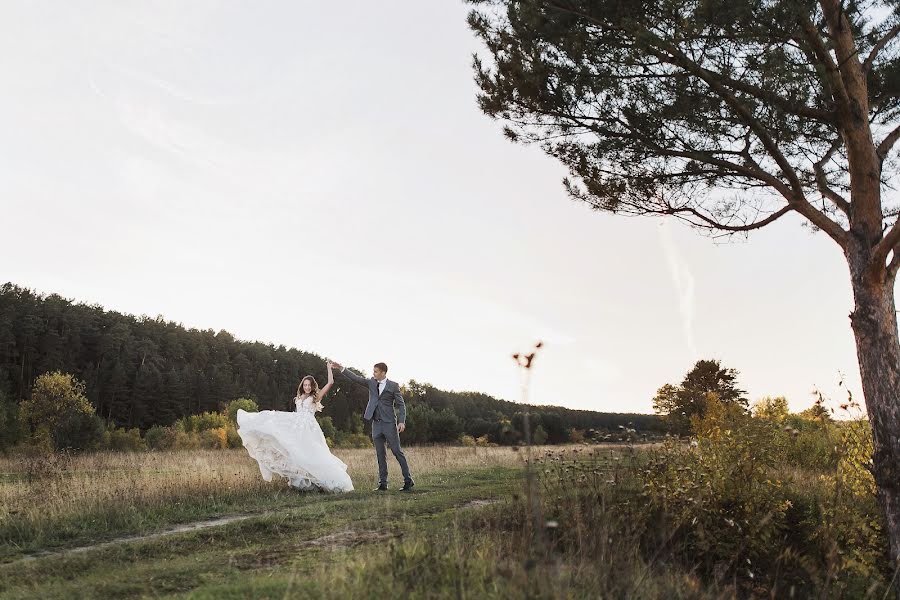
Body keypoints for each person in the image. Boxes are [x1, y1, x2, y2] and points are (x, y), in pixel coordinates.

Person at [236, 360, 352, 492]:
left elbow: (330, 383)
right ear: (302, 386)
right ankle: (300, 482)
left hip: (309, 429)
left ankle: (324, 481)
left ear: (313, 386)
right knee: (293, 450)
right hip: (297, 427)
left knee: (312, 454)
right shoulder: (298, 397)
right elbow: (297, 413)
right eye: (305, 385)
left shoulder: (315, 398)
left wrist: (329, 368)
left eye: (309, 385)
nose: (307, 387)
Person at [332, 361, 414, 492]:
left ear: (383, 372)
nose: (373, 373)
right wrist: (341, 368)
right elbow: (356, 378)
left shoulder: (393, 386)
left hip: (389, 424)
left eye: (375, 371)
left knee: (397, 451)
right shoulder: (371, 382)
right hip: (376, 423)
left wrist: (402, 421)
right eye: (373, 371)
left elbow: (401, 405)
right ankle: (383, 483)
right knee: (380, 454)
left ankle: (408, 480)